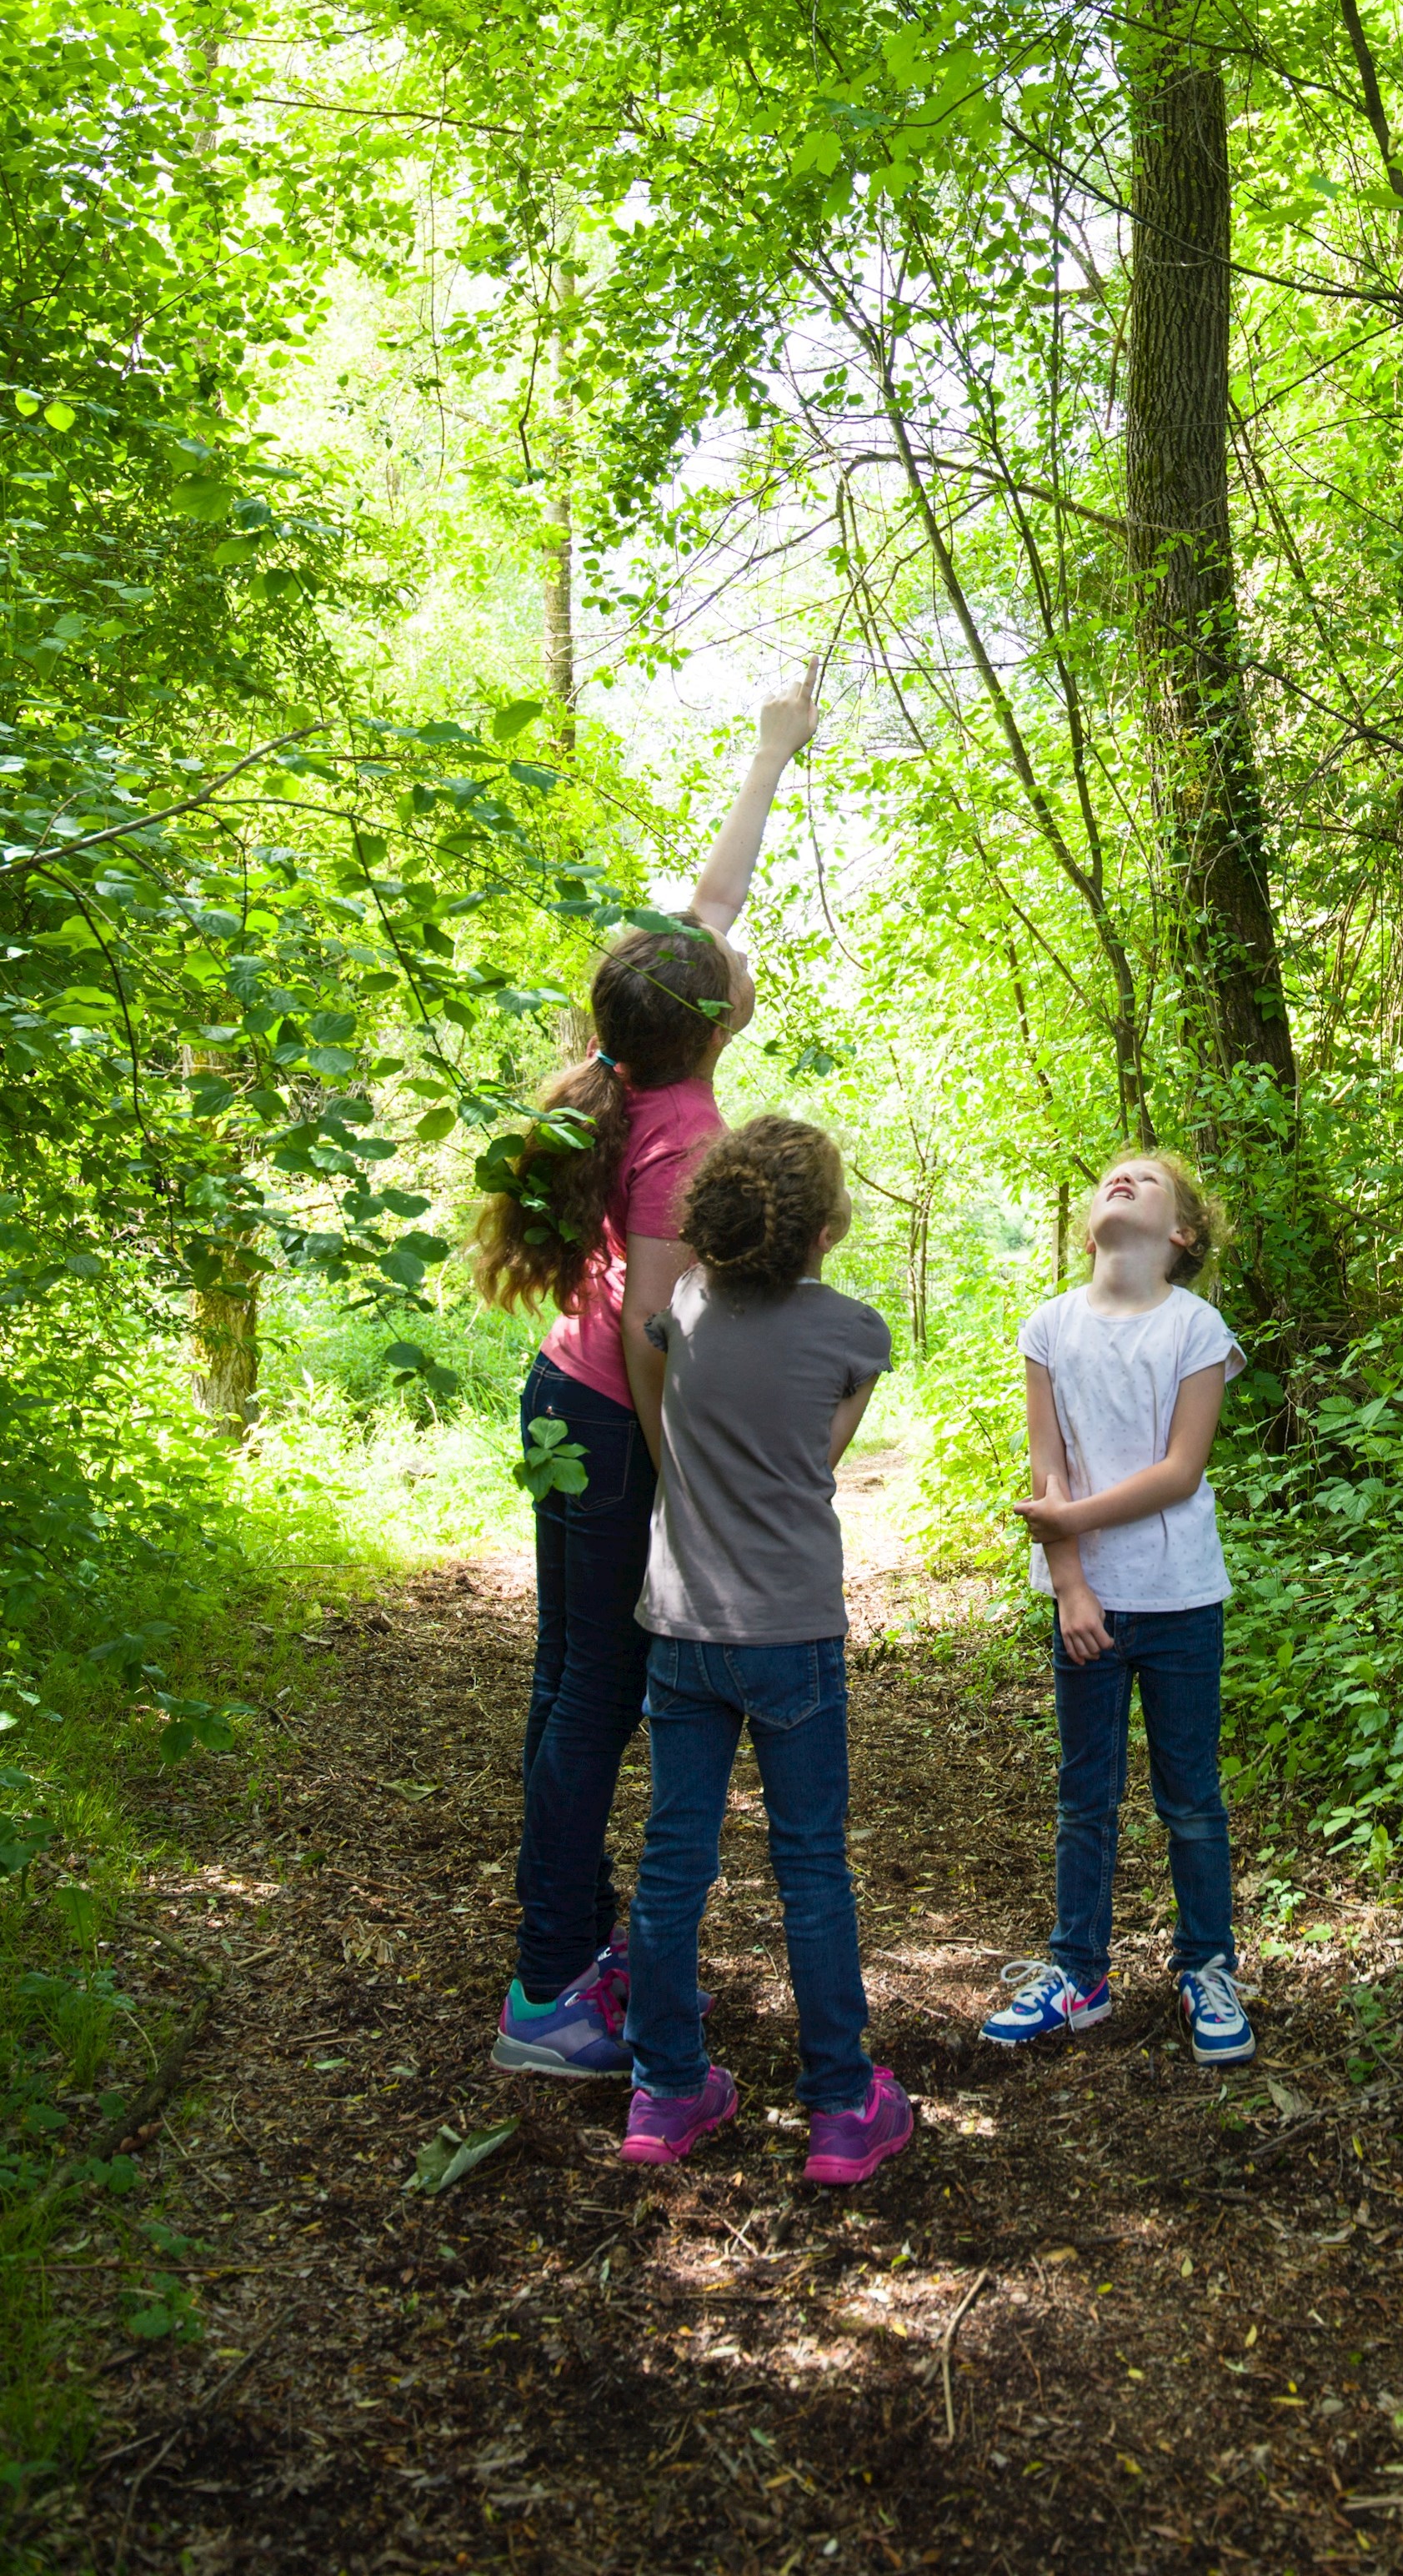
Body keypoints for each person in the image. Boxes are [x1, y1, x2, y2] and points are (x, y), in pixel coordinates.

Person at [471, 666, 824, 2077]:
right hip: (616, 1420)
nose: (732, 949)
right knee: (595, 1700)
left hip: (567, 1400)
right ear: (717, 1023)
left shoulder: (631, 1053)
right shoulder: (685, 1133)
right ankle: (550, 1986)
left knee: (570, 1688)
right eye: (725, 968)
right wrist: (691, 1496)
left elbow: (712, 903)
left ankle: (560, 1942)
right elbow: (652, 1332)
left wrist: (771, 751)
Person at [617, 1115, 909, 2186]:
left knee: (672, 1863)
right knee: (812, 1867)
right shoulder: (857, 1331)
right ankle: (839, 2106)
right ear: (826, 1229)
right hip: (790, 1633)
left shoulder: (683, 1309)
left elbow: (661, 1326)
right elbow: (816, 1461)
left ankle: (667, 2087)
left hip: (683, 1631)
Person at [980, 1149, 1255, 2068]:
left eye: (1148, 1178)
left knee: (1190, 1798)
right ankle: (1078, 1976)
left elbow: (1181, 1471)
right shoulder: (1049, 1326)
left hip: (1179, 1598)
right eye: (1112, 1175)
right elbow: (1045, 1469)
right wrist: (1068, 1579)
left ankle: (1206, 1966)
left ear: (1179, 1234)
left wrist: (1067, 1522)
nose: (1122, 1178)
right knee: (1084, 1795)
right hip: (1086, 1605)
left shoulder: (1197, 1326)